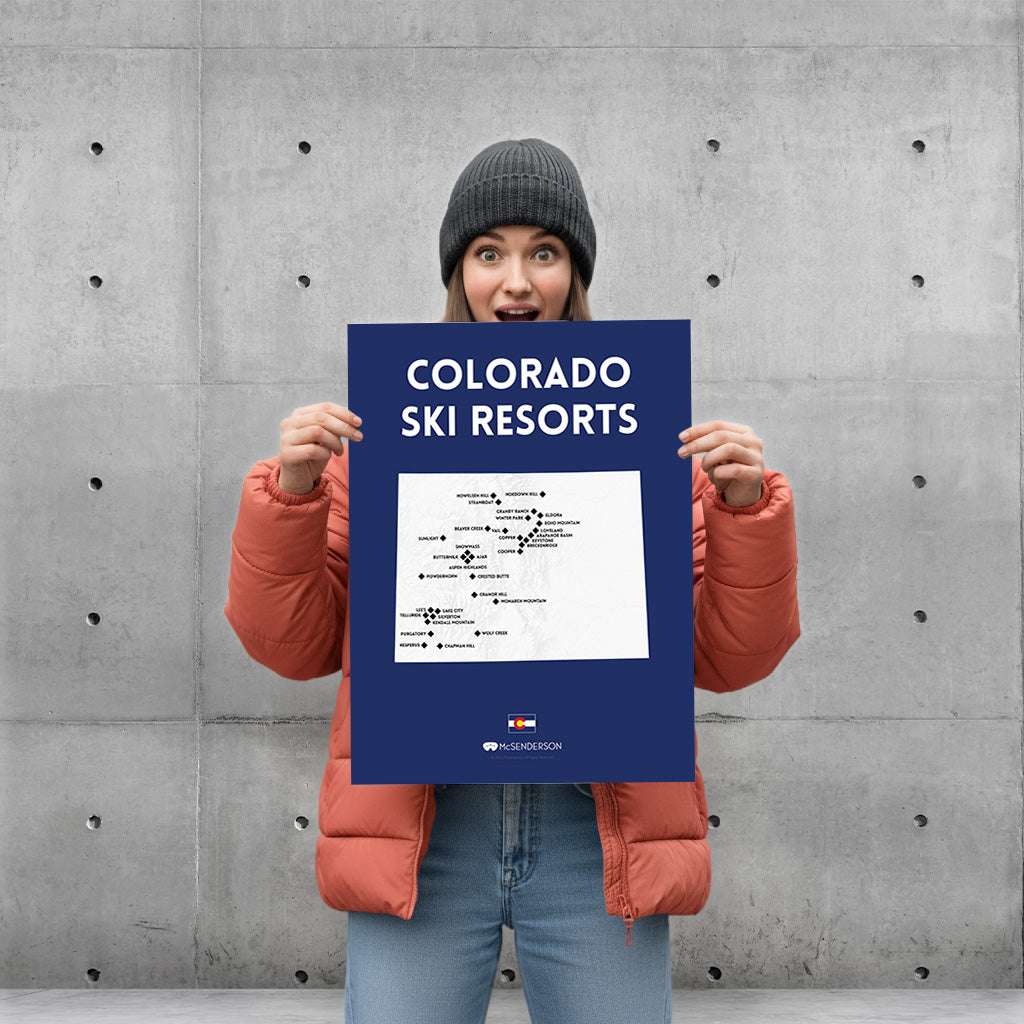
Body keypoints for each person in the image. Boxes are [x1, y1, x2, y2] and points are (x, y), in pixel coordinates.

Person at [225, 138, 799, 1024]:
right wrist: (290, 497)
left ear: (575, 272)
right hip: (422, 827)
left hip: (594, 829)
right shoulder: (379, 449)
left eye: (546, 251)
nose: (518, 280)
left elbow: (731, 659)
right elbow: (292, 647)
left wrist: (745, 513)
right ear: (459, 273)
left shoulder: (651, 449)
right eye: (488, 252)